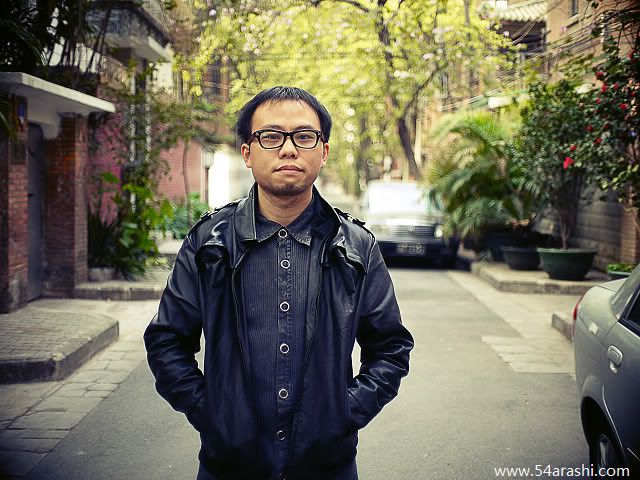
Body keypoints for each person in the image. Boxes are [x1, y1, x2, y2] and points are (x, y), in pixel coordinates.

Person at [144, 86, 414, 480]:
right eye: (271, 137)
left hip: (328, 469)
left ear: (323, 151)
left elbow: (390, 348)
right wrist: (211, 412)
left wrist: (344, 413)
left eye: (304, 136)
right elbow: (167, 340)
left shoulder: (356, 247)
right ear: (247, 153)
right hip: (228, 468)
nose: (288, 149)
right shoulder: (209, 244)